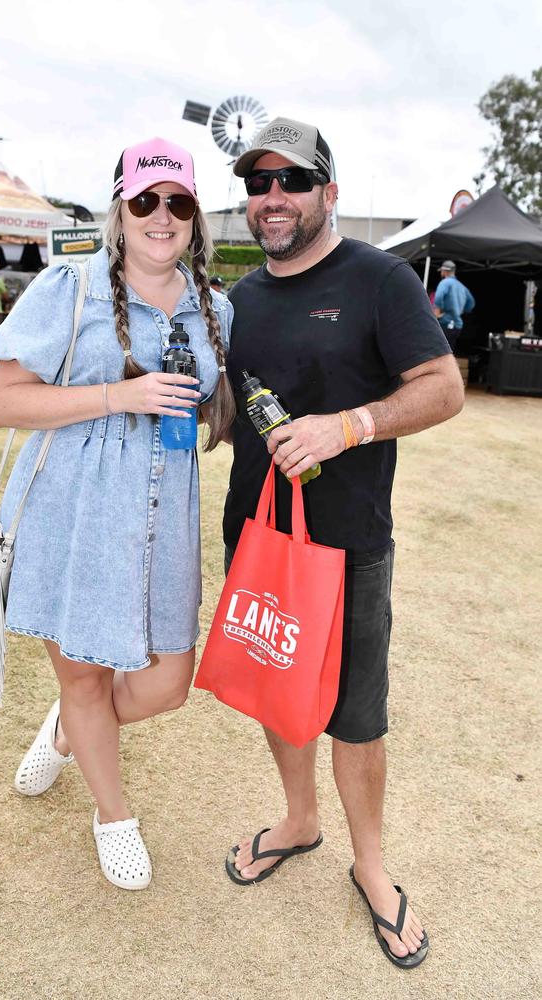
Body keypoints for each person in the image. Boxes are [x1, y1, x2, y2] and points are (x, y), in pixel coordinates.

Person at [221, 117, 465, 968]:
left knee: (357, 713)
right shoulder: (240, 299)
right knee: (276, 689)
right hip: (255, 534)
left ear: (330, 193)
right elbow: (233, 410)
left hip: (349, 542)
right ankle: (299, 820)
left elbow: (444, 388)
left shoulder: (380, 280)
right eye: (260, 184)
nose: (274, 198)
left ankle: (372, 866)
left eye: (293, 181)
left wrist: (350, 426)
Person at [0, 137, 235, 890]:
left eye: (178, 203)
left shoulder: (214, 308)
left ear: (195, 218)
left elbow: (213, 405)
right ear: (121, 209)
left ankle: (65, 731)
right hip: (76, 514)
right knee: (86, 676)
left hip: (164, 520)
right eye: (146, 200)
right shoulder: (70, 288)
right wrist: (118, 396)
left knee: (165, 684)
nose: (162, 216)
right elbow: (4, 402)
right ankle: (113, 814)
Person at [433, 260, 475, 351]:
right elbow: (471, 303)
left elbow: (439, 296)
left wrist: (437, 311)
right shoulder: (462, 287)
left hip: (445, 322)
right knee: (449, 352)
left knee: (437, 352)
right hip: (457, 325)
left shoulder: (445, 282)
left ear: (444, 271)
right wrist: (462, 311)